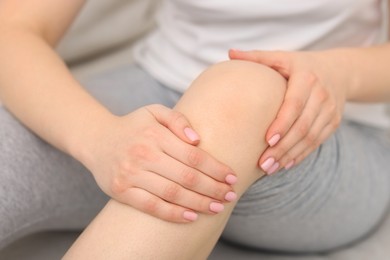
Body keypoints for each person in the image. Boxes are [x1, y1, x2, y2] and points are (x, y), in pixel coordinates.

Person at [0, 0, 390, 259]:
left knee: (240, 90)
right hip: (153, 95)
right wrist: (99, 139)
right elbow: (13, 28)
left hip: (329, 134)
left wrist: (340, 74)